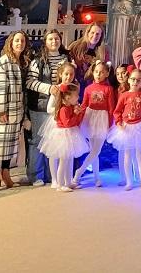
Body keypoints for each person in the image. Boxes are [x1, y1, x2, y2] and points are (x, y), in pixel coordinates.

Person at [0, 31, 32, 195]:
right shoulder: (4, 62)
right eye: (17, 40)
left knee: (9, 145)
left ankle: (5, 173)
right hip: (3, 111)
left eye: (22, 41)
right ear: (11, 42)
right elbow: (0, 87)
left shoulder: (22, 62)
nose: (20, 43)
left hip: (17, 111)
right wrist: (1, 110)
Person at [25, 29, 70, 186]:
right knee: (38, 140)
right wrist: (48, 88)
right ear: (45, 41)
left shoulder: (66, 58)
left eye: (56, 38)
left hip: (59, 107)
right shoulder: (38, 60)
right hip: (40, 106)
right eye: (50, 39)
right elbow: (29, 82)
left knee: (54, 141)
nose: (54, 41)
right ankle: (35, 175)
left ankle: (52, 175)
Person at [72, 60, 116, 188]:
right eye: (96, 72)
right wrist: (79, 117)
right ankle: (97, 178)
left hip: (102, 119)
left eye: (102, 72)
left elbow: (111, 107)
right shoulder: (88, 88)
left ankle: (78, 173)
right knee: (94, 151)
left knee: (96, 150)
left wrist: (110, 124)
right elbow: (85, 105)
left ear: (107, 74)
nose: (98, 74)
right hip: (90, 118)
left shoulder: (108, 89)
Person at [108, 69, 141, 191]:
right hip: (127, 127)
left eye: (138, 80)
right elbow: (117, 111)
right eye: (133, 79)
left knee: (140, 154)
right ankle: (129, 182)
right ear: (128, 80)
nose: (135, 82)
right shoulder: (124, 95)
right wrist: (118, 122)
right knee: (127, 155)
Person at [39, 82, 88, 192]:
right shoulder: (63, 109)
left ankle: (68, 182)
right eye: (76, 95)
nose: (78, 97)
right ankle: (60, 184)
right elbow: (68, 123)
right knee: (63, 161)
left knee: (69, 160)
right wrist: (75, 114)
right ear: (68, 97)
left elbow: (76, 123)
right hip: (63, 136)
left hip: (70, 133)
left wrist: (79, 113)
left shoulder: (70, 107)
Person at [39, 61, 77, 189]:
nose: (68, 77)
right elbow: (49, 108)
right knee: (55, 152)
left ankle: (69, 180)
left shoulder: (73, 87)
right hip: (57, 124)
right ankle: (55, 180)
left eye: (71, 74)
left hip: (69, 125)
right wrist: (61, 109)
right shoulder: (57, 89)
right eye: (66, 74)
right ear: (61, 74)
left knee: (69, 153)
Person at [68, 23, 109, 97]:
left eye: (97, 34)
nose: (94, 36)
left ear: (101, 36)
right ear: (87, 33)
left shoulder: (102, 52)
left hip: (91, 87)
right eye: (92, 33)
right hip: (75, 85)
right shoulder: (75, 46)